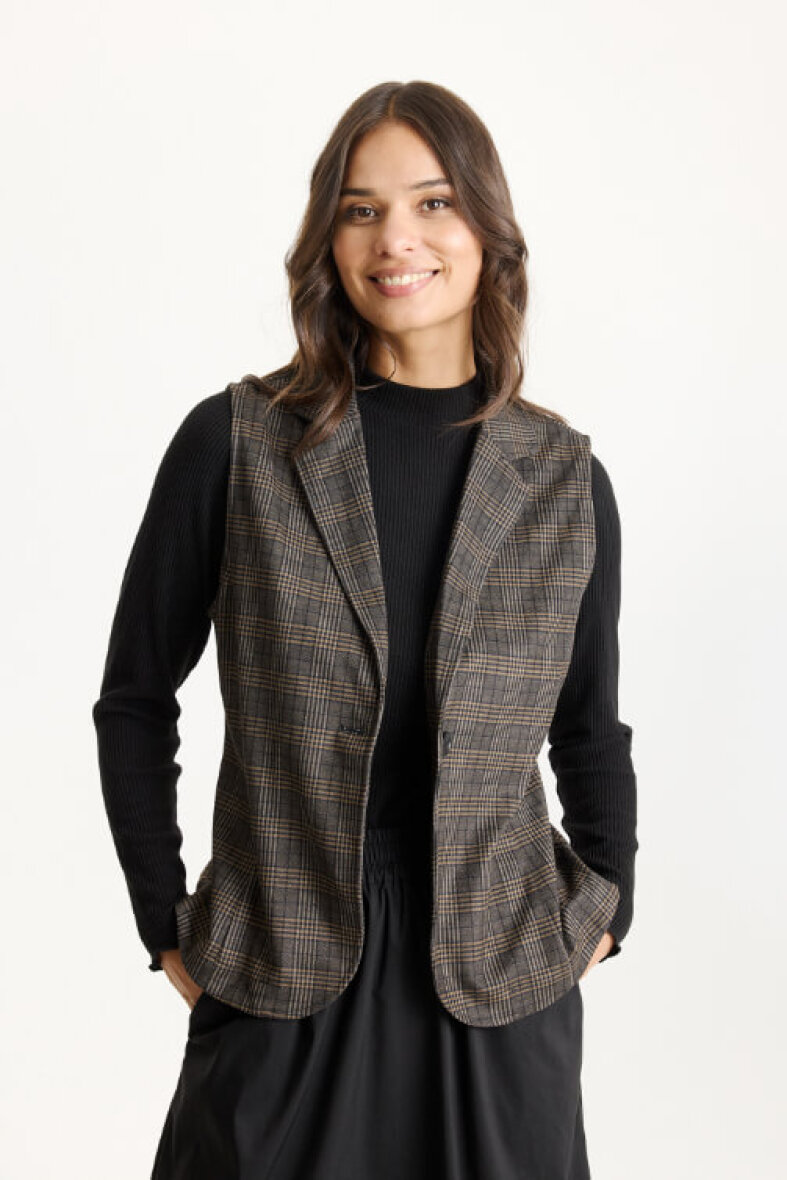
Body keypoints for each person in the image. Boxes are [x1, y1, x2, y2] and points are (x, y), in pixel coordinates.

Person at [92, 80, 637, 1180]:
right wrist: (165, 923)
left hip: (500, 975)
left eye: (433, 203)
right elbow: (136, 698)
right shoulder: (236, 444)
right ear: (328, 241)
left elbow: (588, 729)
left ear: (487, 230)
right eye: (360, 210)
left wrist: (607, 906)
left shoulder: (563, 480)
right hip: (280, 960)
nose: (397, 239)